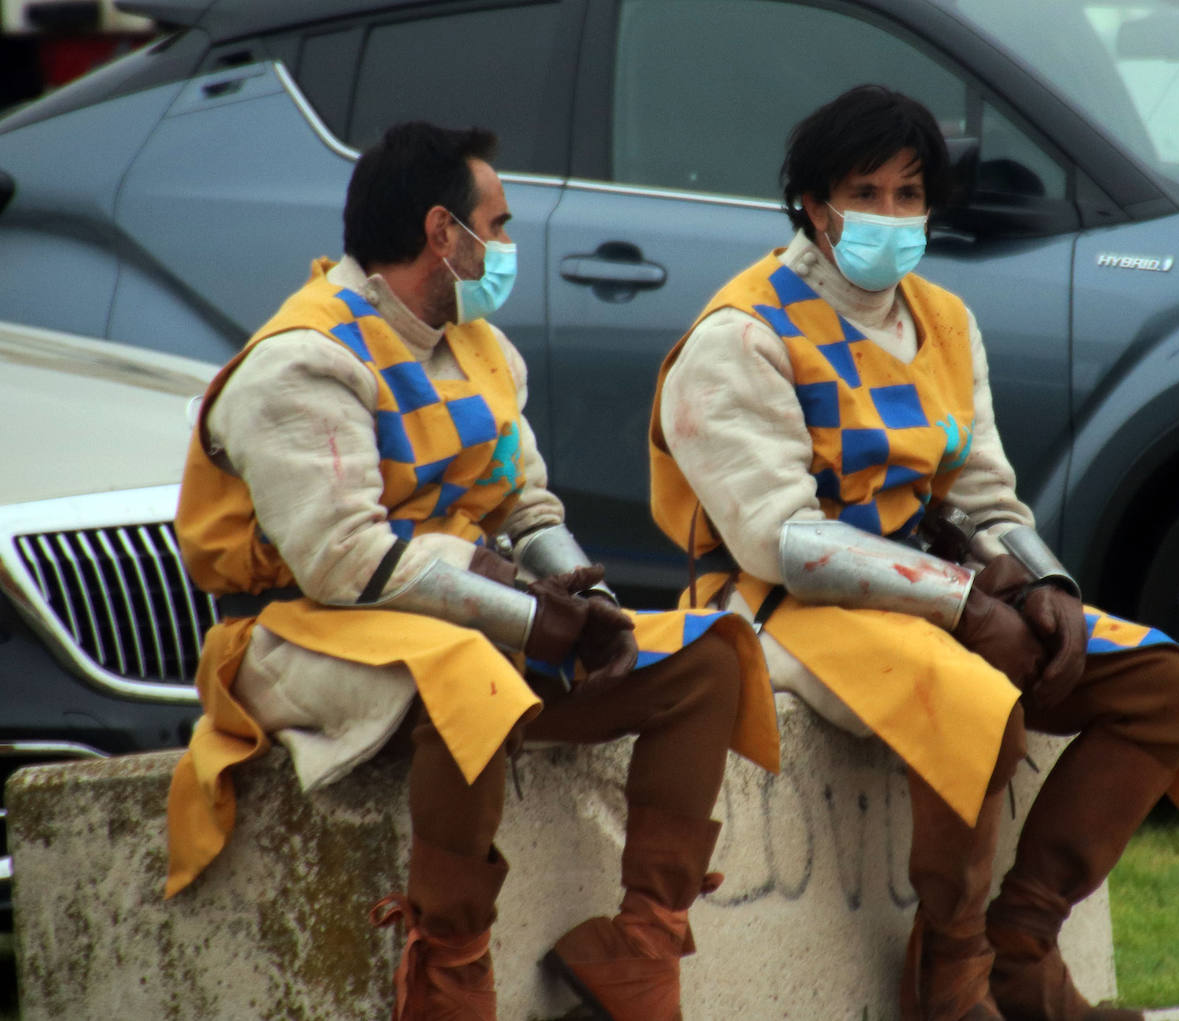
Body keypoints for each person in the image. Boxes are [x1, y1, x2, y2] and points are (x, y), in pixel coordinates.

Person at [165, 121, 779, 1021]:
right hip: (295, 630)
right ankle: (449, 970)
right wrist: (524, 612)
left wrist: (587, 596)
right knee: (472, 677)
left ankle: (641, 946)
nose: (507, 247)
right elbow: (343, 560)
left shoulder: (479, 346)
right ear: (441, 232)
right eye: (497, 225)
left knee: (710, 658)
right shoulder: (303, 362)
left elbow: (526, 506)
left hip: (465, 610)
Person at [649, 86, 1179, 1021]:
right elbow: (781, 541)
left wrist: (1044, 584)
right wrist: (963, 603)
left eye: (910, 195)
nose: (892, 216)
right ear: (813, 205)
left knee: (1165, 687)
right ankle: (947, 977)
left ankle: (1021, 948)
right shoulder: (740, 333)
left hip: (928, 589)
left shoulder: (942, 317)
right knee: (975, 701)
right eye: (866, 192)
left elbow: (982, 492)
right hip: (781, 603)